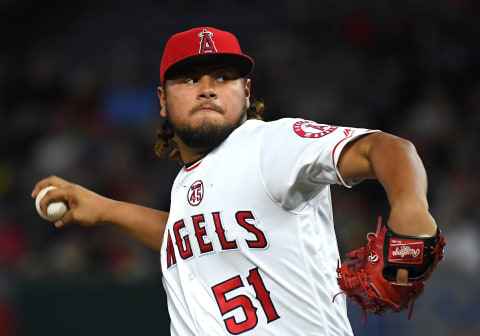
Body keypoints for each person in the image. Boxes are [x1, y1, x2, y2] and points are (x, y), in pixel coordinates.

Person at [32, 27, 438, 336]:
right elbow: (188, 235)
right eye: (190, 79)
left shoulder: (268, 145)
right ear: (161, 99)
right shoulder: (187, 183)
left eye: (223, 77)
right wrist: (106, 210)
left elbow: (384, 149)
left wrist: (409, 206)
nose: (207, 89)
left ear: (246, 93)